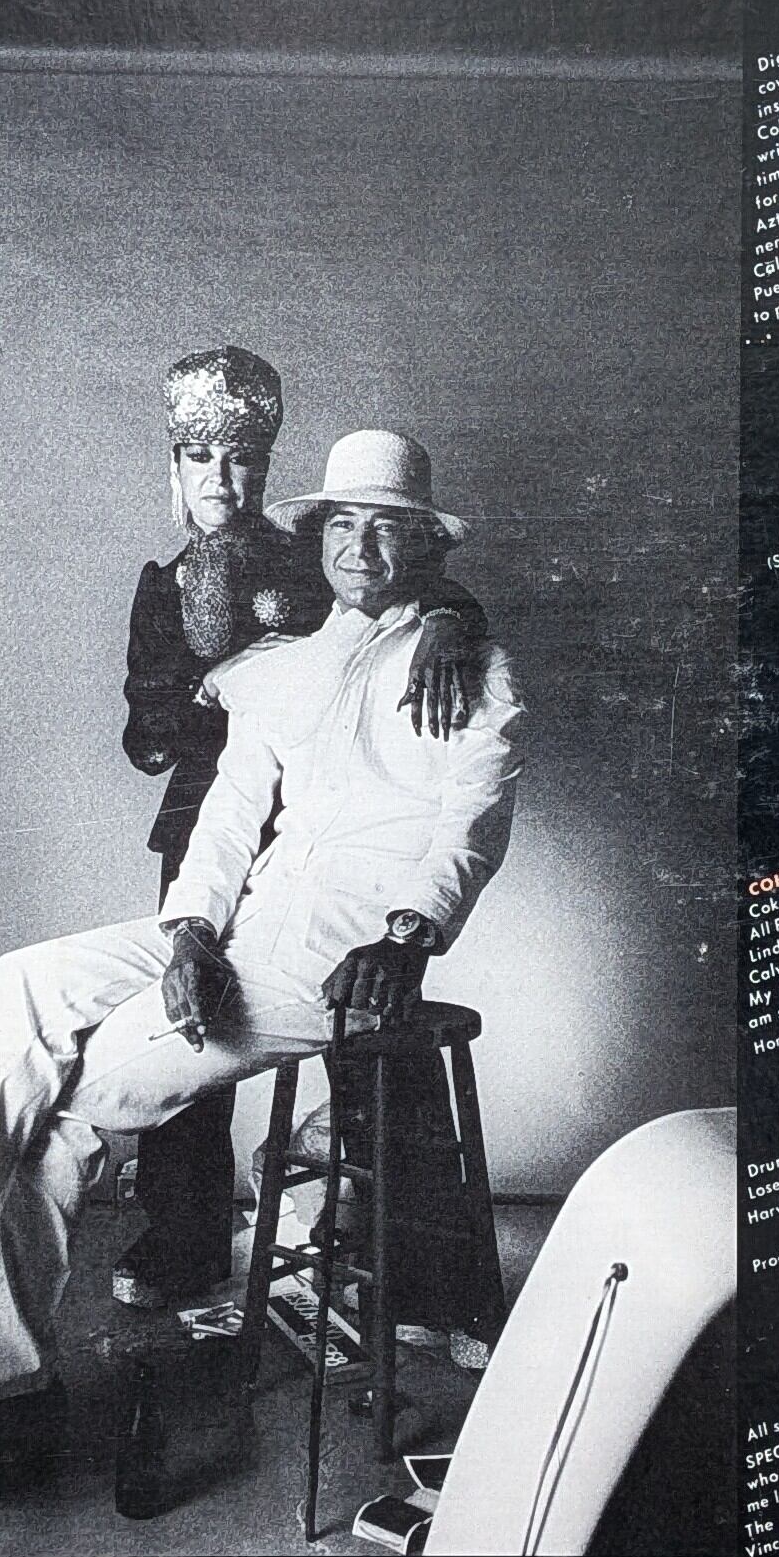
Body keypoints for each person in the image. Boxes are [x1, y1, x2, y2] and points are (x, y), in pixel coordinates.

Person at [0, 429, 523, 1528]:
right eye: (343, 522)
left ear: (426, 546)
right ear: (321, 536)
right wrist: (188, 930)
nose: (361, 546)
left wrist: (407, 936)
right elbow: (228, 814)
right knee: (20, 986)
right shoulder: (290, 662)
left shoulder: (467, 663)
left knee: (58, 1110)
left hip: (332, 960)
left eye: (388, 528)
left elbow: (474, 816)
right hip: (234, 928)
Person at [112, 350, 485, 1309]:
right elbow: (144, 734)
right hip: (207, 819)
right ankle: (185, 1234)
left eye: (242, 459)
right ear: (175, 466)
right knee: (195, 1018)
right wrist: (215, 694)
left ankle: (419, 1261)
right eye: (201, 457)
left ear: (267, 469)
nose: (222, 479)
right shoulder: (161, 584)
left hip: (330, 821)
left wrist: (451, 620)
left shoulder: (312, 552)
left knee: (372, 1032)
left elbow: (401, 589)